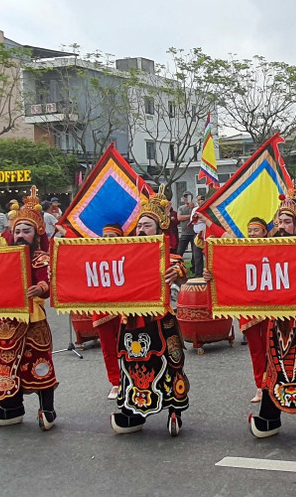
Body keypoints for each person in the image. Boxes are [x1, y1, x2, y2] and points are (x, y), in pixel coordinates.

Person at [212, 181, 296, 443]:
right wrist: (213, 273)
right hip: (279, 322)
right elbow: (241, 272)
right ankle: (269, 418)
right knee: (273, 366)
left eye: (288, 221)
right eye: (280, 220)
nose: (282, 225)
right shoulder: (265, 249)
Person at [111, 187, 190, 436]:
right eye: (140, 225)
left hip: (159, 321)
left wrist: (176, 273)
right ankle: (133, 412)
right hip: (131, 320)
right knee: (131, 364)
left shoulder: (169, 256)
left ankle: (174, 409)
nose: (142, 229)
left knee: (168, 363)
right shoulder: (125, 255)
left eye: (147, 225)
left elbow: (181, 270)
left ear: (159, 229)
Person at [0, 187, 58, 431]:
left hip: (32, 320)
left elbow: (47, 282)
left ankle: (47, 407)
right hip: (5, 320)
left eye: (26, 231)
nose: (20, 235)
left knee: (38, 362)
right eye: (17, 230)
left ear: (36, 234)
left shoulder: (41, 257)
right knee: (3, 363)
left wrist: (40, 287)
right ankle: (11, 406)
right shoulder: (1, 257)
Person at [239, 218, 271, 404]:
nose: (251, 234)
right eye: (249, 230)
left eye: (255, 230)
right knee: (255, 350)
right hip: (248, 307)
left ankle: (273, 384)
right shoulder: (241, 250)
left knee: (271, 348)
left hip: (269, 307)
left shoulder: (275, 248)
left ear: (265, 232)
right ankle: (260, 386)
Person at [93, 223, 125, 401]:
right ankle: (115, 381)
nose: (107, 240)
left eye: (111, 236)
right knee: (107, 348)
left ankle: (131, 378)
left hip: (125, 309)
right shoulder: (95, 257)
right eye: (104, 237)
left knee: (129, 346)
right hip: (102, 309)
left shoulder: (128, 256)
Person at [175, 191, 196, 260]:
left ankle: (194, 268)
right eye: (185, 197)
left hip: (194, 233)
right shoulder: (181, 208)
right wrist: (190, 216)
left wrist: (192, 208)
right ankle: (178, 264)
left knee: (195, 253)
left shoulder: (195, 208)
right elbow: (179, 218)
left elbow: (197, 217)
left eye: (188, 197)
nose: (186, 198)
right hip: (185, 233)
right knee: (180, 251)